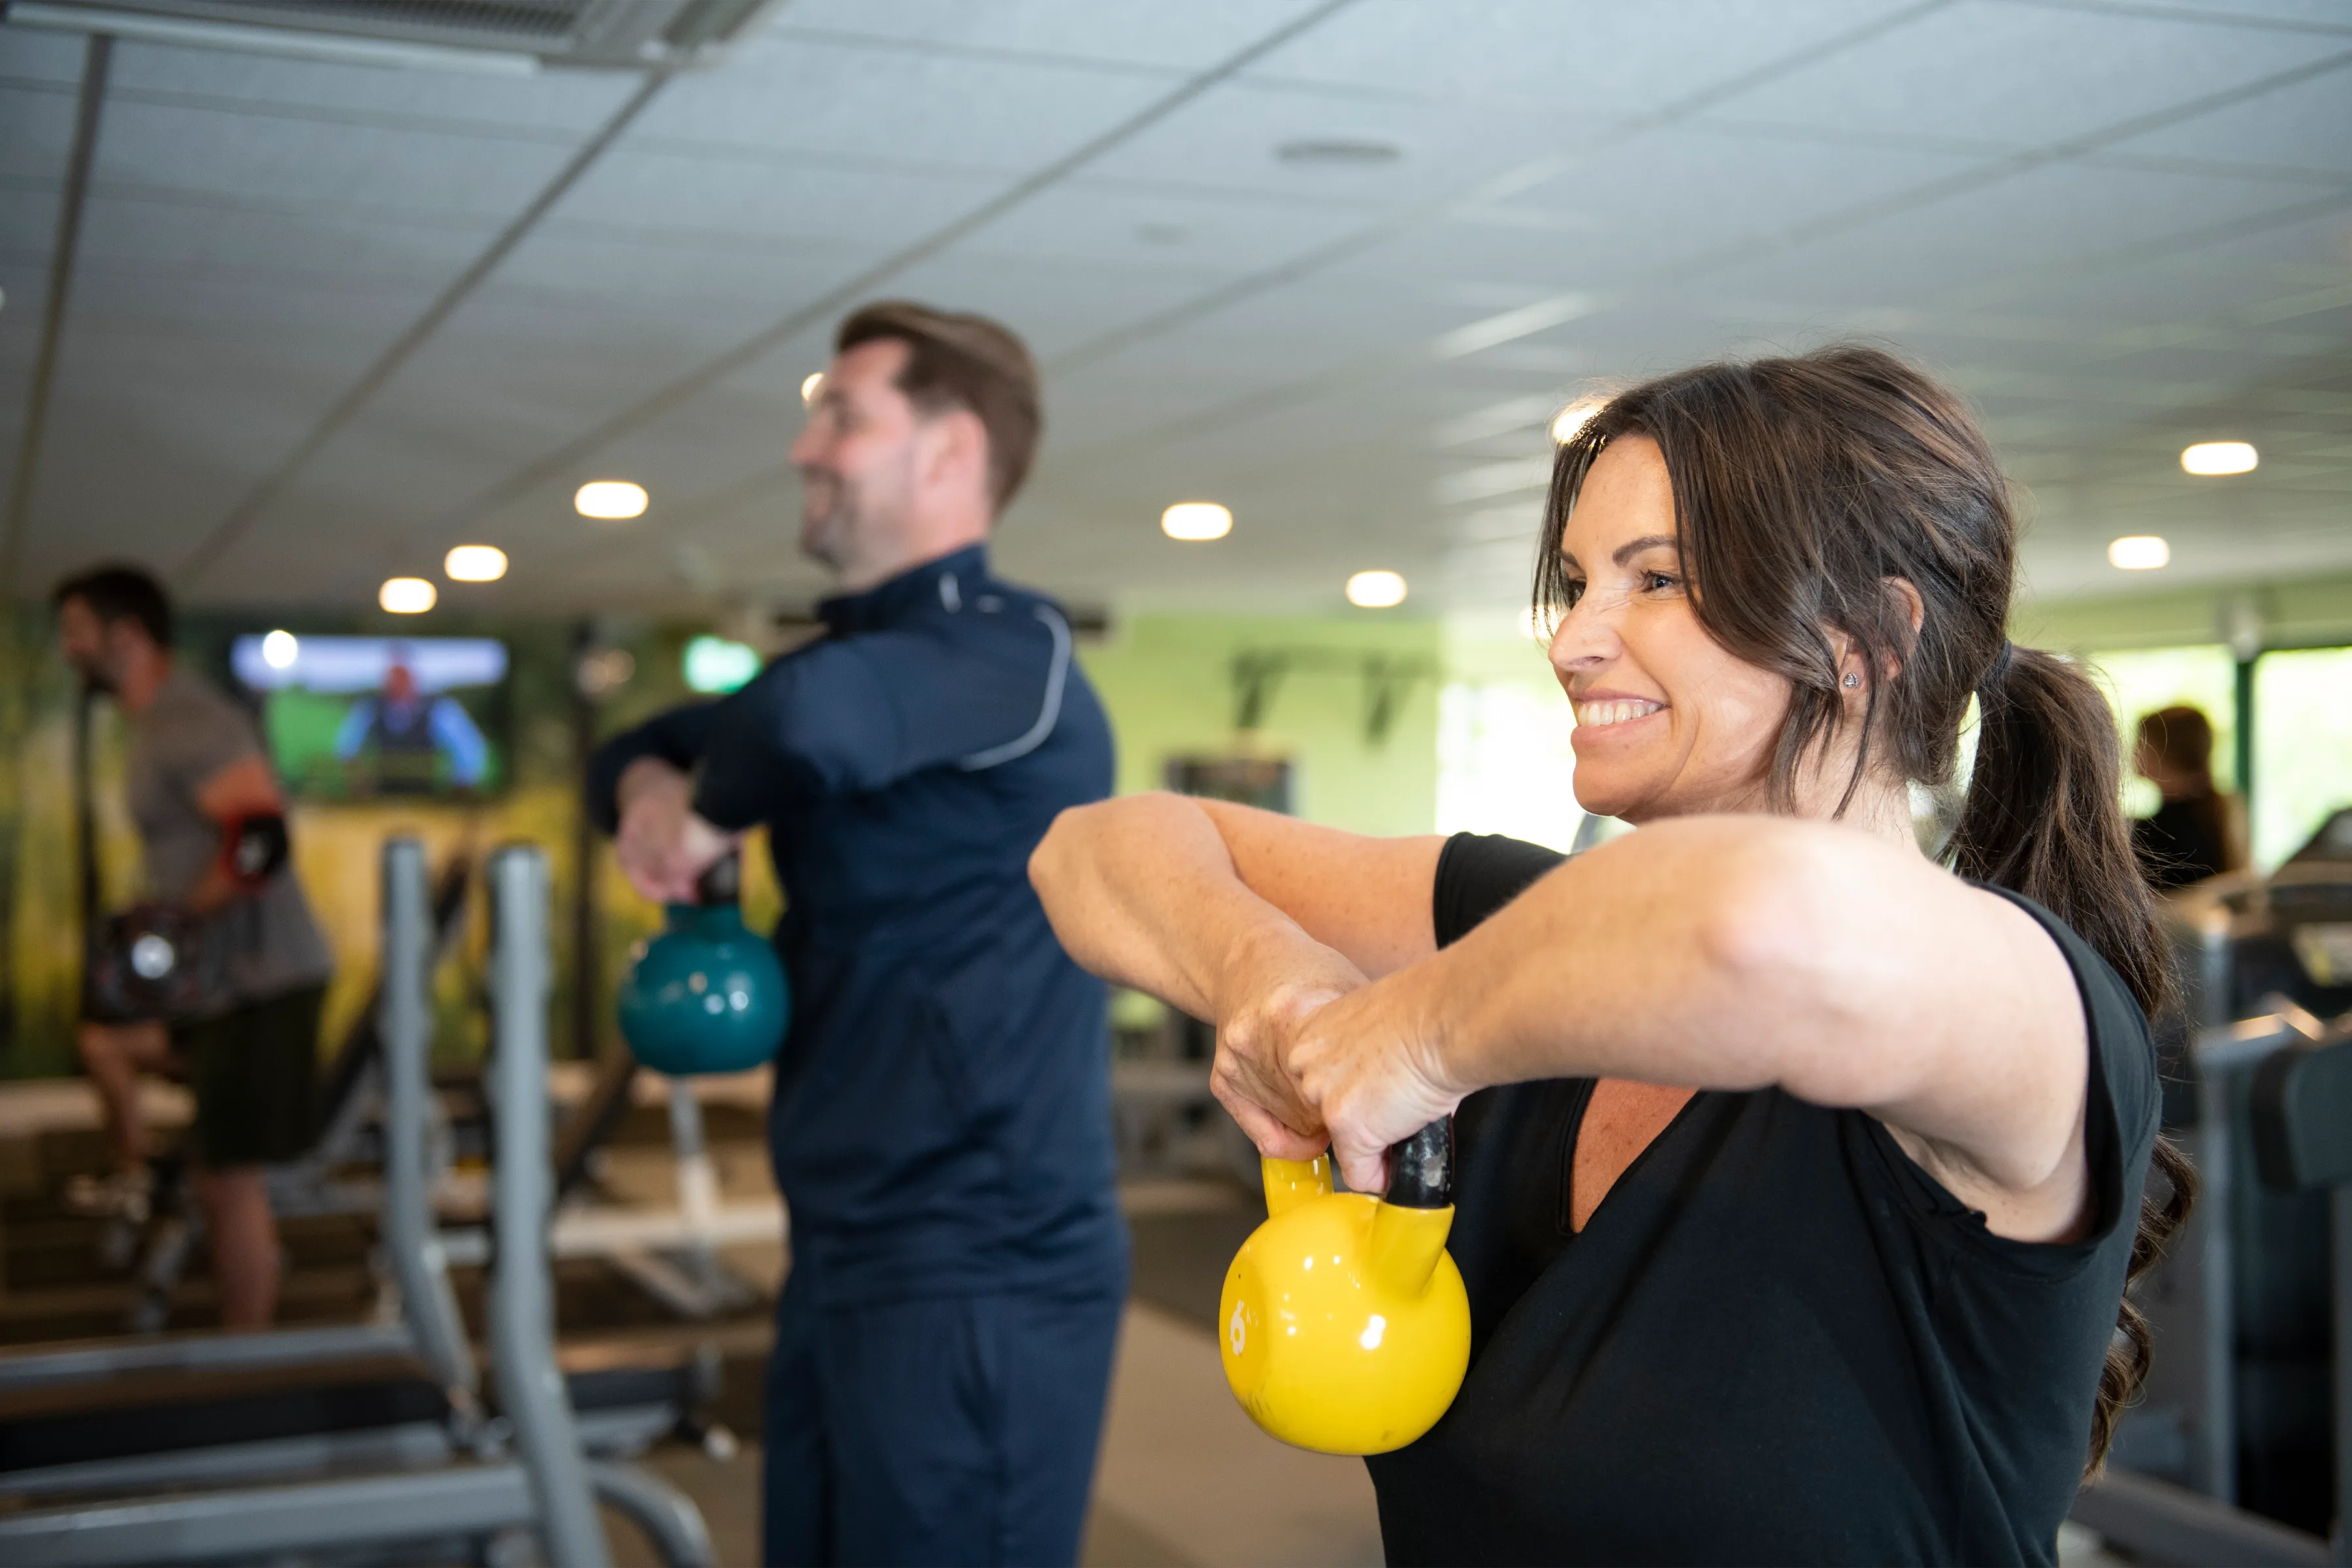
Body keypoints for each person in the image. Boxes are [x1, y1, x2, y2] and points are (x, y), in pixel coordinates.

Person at [1030, 348, 2194, 1566]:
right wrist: (1276, 987)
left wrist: (1416, 1036)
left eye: (1658, 580)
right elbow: (1092, 851)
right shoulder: (1513, 924)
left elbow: (1761, 923)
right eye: (1579, 582)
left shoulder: (2028, 1019)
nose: (1574, 639)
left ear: (1868, 640)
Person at [585, 302, 1125, 1567]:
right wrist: (654, 797)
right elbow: (634, 745)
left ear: (946, 454)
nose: (803, 448)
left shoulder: (1011, 657)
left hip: (978, 1263)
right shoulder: (857, 654)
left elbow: (805, 727)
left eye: (841, 413)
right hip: (842, 1242)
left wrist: (706, 814)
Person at [53, 565, 336, 1330]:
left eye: (78, 630)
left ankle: (246, 1356)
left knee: (226, 1178)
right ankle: (137, 1171)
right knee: (107, 1041)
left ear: (128, 634)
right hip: (218, 986)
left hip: (261, 978)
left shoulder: (186, 719)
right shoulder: (156, 723)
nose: (69, 648)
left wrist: (174, 917)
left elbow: (262, 839)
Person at [333, 650, 490, 794]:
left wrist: (461, 788)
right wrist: (359, 780)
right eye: (392, 675)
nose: (396, 681)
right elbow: (346, 748)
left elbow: (469, 750)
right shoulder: (370, 708)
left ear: (413, 677)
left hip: (426, 798)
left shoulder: (438, 709)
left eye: (402, 675)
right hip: (380, 798)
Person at [2131, 704, 2244, 892]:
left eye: (2142, 742)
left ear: (2163, 751)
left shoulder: (2163, 831)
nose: (2134, 751)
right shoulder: (2216, 810)